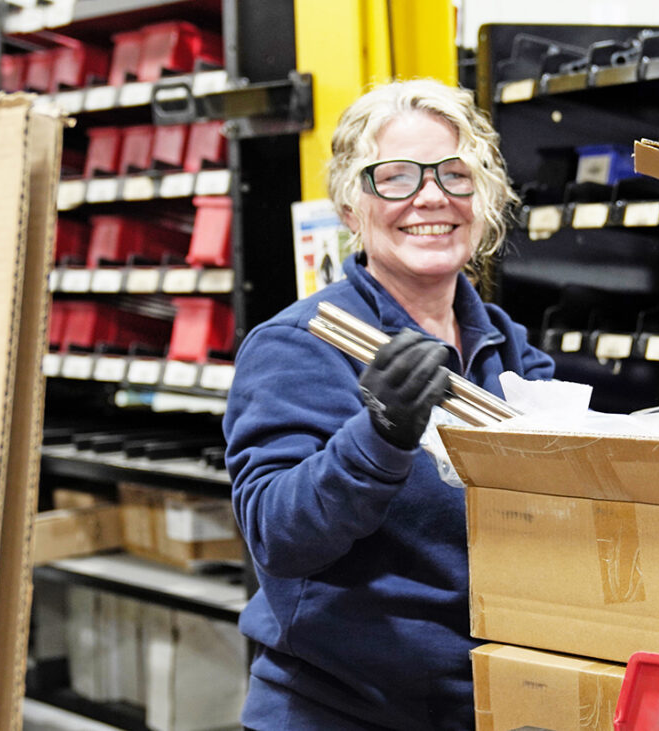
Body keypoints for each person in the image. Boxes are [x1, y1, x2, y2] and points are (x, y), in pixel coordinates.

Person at [222, 79, 556, 730]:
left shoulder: (508, 349)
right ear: (351, 207)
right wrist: (377, 438)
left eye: (455, 174)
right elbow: (275, 533)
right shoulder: (300, 344)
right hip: (338, 711)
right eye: (396, 177)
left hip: (484, 706)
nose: (431, 196)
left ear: (483, 199)